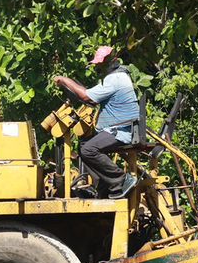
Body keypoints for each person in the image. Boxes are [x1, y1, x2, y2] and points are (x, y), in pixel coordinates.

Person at [53, 46, 142, 198]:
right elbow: (89, 96)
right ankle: (104, 187)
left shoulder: (115, 79)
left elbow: (87, 97)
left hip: (122, 131)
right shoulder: (117, 77)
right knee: (83, 146)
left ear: (109, 63)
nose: (98, 69)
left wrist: (65, 80)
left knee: (88, 150)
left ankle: (120, 180)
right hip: (119, 129)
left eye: (100, 65)